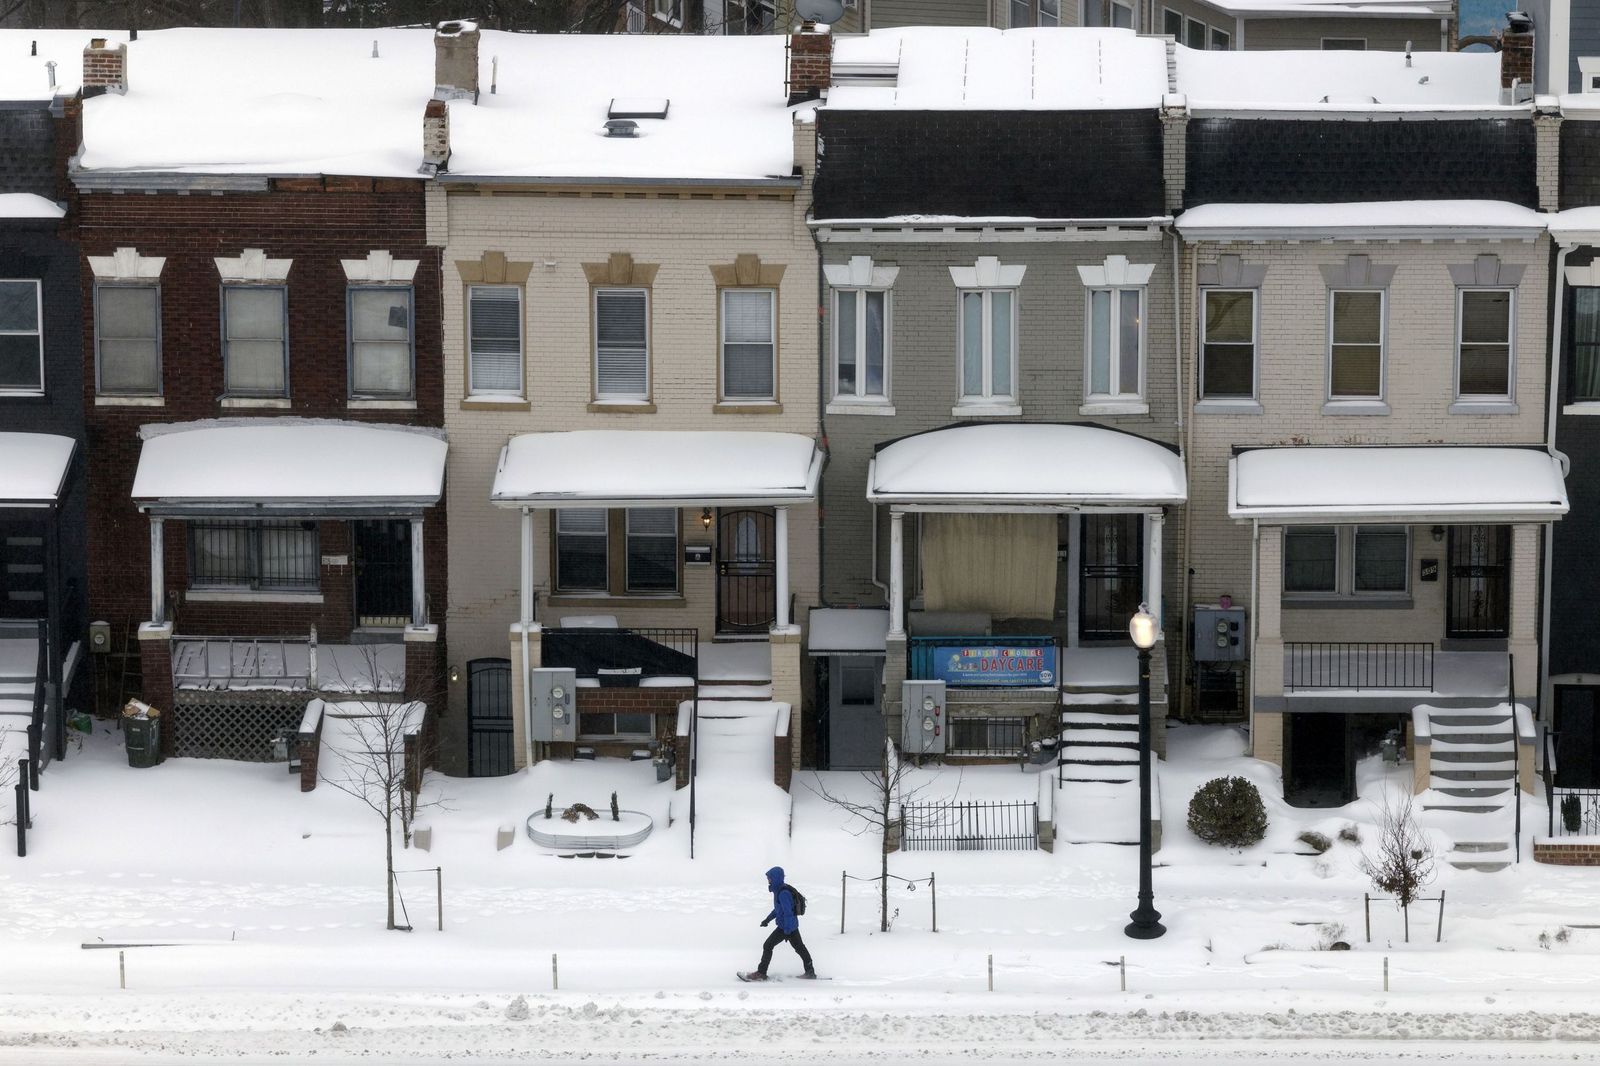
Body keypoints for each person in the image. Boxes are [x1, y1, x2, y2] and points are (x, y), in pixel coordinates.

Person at [748, 865, 815, 980]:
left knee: (768, 945)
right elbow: (779, 910)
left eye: (769, 878)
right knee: (800, 948)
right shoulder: (779, 890)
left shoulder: (783, 893)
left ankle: (761, 973)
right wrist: (767, 920)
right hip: (790, 926)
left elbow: (788, 913)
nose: (768, 880)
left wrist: (787, 930)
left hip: (786, 927)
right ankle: (810, 972)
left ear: (776, 878)